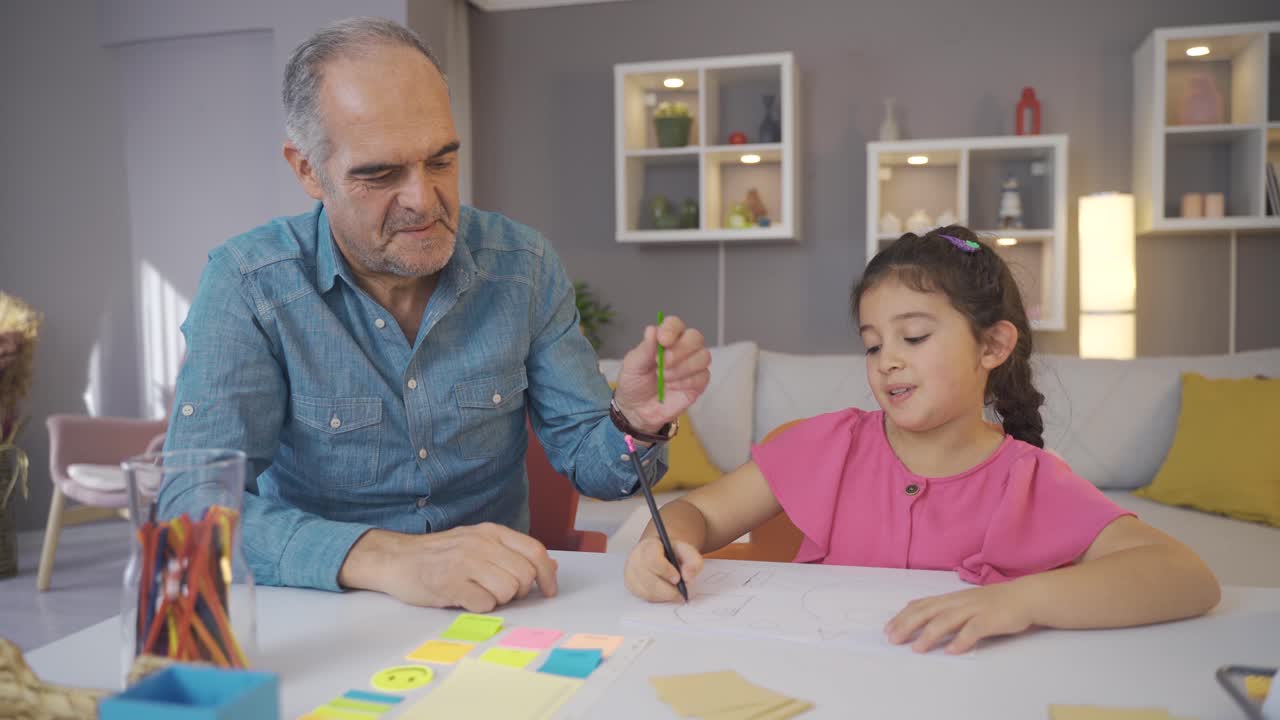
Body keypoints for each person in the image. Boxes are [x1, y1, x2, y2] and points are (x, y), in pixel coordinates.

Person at [159, 17, 710, 613]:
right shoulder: (249, 285)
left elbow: (596, 467)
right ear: (307, 170)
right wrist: (390, 559)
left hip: (499, 613)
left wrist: (635, 422)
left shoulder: (522, 266)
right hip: (322, 614)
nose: (424, 201)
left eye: (442, 161)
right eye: (380, 174)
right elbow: (189, 511)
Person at [624, 226, 1220, 654]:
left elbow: (1185, 575)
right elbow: (700, 511)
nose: (887, 361)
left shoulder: (1029, 479)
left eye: (913, 337)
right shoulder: (827, 445)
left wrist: (1018, 602)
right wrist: (662, 544)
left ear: (992, 346)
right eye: (873, 344)